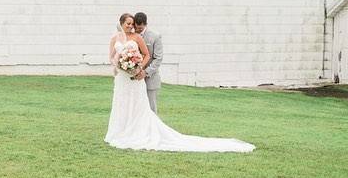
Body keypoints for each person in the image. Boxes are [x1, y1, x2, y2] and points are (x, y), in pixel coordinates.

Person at [104, 12, 255, 152]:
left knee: (139, 106)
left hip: (136, 78)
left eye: (132, 24)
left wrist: (139, 68)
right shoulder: (114, 38)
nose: (131, 26)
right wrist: (120, 65)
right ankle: (121, 131)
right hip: (122, 79)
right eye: (128, 24)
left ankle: (138, 132)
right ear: (121, 23)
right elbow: (111, 57)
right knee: (122, 103)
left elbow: (147, 55)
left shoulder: (137, 38)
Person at [133, 12, 162, 113]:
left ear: (145, 24)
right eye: (136, 27)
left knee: (151, 108)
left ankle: (152, 129)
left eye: (140, 28)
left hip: (151, 78)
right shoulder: (131, 35)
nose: (138, 30)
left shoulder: (155, 36)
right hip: (134, 79)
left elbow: (158, 58)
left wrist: (145, 72)